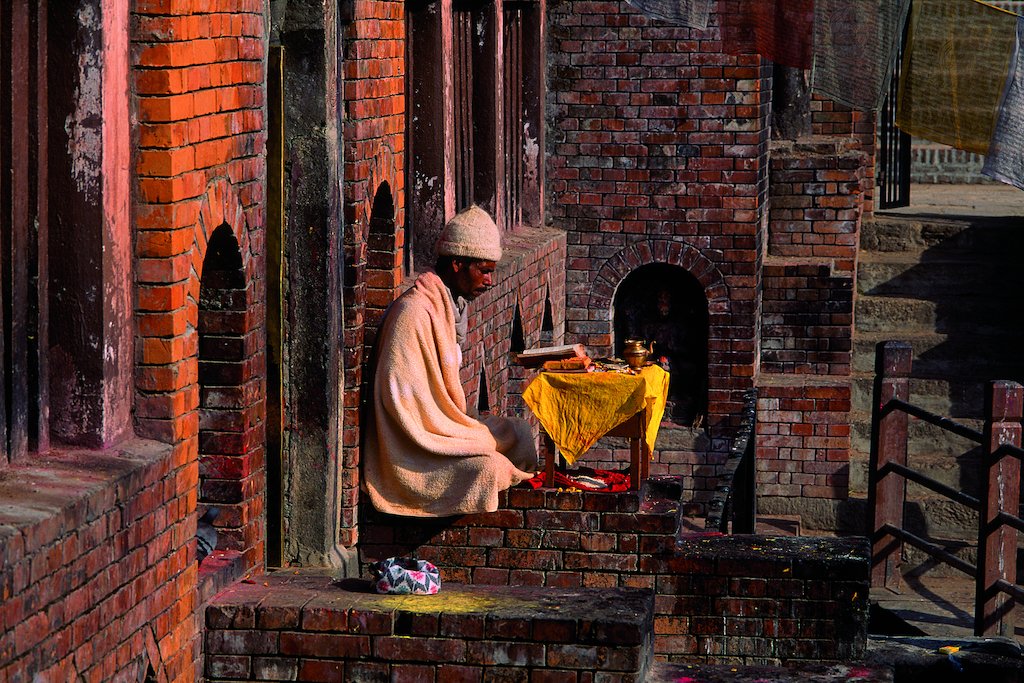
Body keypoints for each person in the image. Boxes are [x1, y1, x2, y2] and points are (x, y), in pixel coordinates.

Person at [362, 205, 538, 517]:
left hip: (443, 423)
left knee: (521, 435)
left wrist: (463, 426)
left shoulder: (448, 306)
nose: (488, 281)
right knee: (489, 466)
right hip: (414, 446)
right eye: (483, 271)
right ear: (457, 264)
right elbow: (402, 405)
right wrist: (456, 430)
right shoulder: (413, 313)